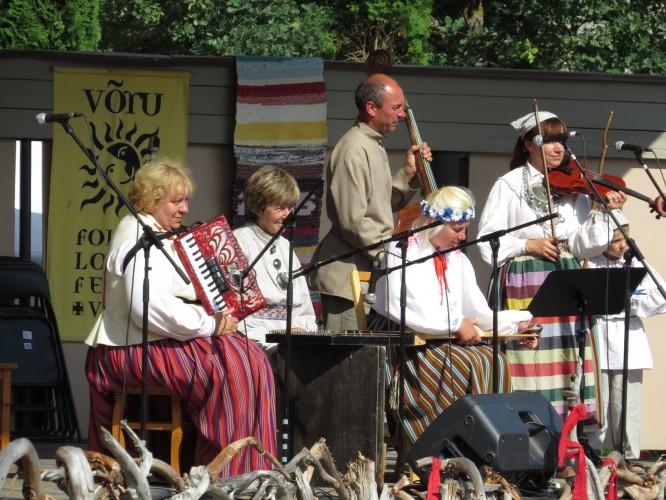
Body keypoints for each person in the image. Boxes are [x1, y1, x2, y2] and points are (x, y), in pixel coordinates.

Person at [85, 158, 277, 476]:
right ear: (150, 201)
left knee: (248, 355)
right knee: (229, 364)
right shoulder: (137, 236)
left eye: (185, 200)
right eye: (176, 201)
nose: (185, 209)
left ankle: (248, 466)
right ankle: (226, 470)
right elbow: (148, 309)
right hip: (125, 349)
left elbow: (172, 295)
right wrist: (210, 324)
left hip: (151, 340)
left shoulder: (158, 233)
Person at [476, 111, 627, 426]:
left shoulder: (573, 186)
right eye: (549, 141)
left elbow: (583, 244)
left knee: (565, 361)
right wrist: (526, 245)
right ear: (529, 144)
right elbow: (485, 241)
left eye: (562, 141)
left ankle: (566, 438)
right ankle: (523, 429)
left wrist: (602, 213)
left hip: (565, 280)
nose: (559, 148)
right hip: (523, 281)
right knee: (526, 357)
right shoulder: (509, 183)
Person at [372, 186, 533, 443]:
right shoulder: (401, 250)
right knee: (465, 362)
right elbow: (407, 308)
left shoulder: (455, 258)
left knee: (496, 361)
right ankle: (441, 445)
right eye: (456, 229)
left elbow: (477, 311)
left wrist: (517, 324)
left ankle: (486, 444)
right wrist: (456, 323)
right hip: (404, 339)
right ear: (434, 223)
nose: (462, 236)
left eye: (465, 228)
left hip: (440, 337)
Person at [308, 73, 432, 331]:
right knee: (347, 363)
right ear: (371, 108)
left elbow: (379, 204)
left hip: (367, 274)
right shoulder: (354, 149)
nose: (402, 115)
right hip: (348, 278)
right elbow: (354, 221)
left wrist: (409, 174)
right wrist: (391, 256)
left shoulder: (372, 144)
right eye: (396, 107)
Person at [586, 209, 666, 459]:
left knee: (626, 409)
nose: (622, 246)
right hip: (597, 343)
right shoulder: (589, 262)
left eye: (625, 239)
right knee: (597, 409)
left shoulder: (635, 263)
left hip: (628, 344)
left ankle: (629, 460)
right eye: (615, 241)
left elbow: (661, 296)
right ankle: (594, 458)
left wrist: (628, 302)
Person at [233, 165, 318, 349]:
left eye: (290, 207)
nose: (287, 214)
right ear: (257, 207)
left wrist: (301, 330)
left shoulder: (286, 247)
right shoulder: (239, 242)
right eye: (279, 208)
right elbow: (235, 314)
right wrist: (277, 335)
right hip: (254, 343)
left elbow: (304, 310)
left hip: (291, 342)